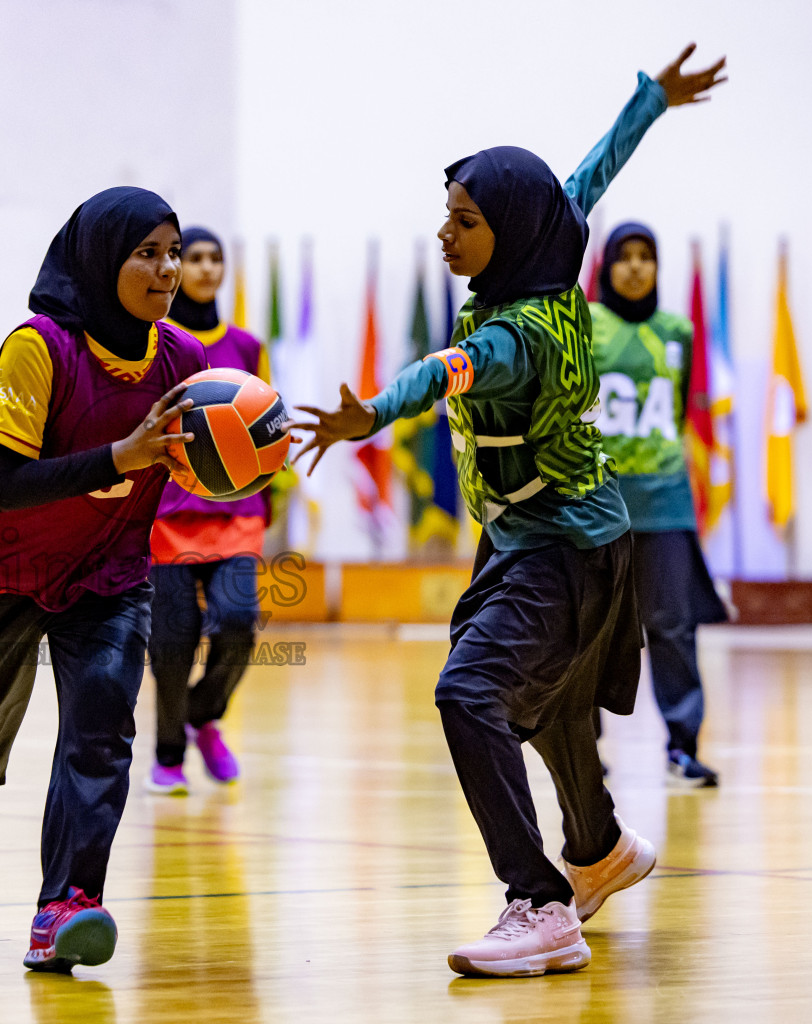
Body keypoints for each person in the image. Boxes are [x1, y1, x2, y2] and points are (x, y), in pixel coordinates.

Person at [291, 45, 726, 978]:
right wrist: (651, 98)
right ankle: (599, 850)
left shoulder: (514, 334)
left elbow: (448, 371)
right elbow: (591, 173)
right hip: (558, 537)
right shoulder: (545, 258)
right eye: (445, 216)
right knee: (561, 706)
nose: (445, 235)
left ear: (511, 230)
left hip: (561, 549)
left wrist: (373, 411)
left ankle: (539, 903)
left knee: (469, 695)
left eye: (466, 220)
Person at [0, 186, 207, 972]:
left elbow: (211, 471)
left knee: (102, 718)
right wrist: (123, 456)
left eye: (173, 252)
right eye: (147, 252)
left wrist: (251, 454)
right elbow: (8, 481)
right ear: (101, 258)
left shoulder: (185, 362)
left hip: (106, 573)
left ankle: (65, 906)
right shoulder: (39, 347)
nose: (167, 268)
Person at [591, 223, 727, 786]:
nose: (636, 267)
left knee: (674, 626)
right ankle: (583, 748)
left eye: (647, 256)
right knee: (589, 629)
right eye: (624, 256)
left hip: (666, 500)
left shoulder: (679, 330)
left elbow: (680, 405)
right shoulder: (586, 325)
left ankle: (682, 746)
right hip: (597, 502)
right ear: (607, 266)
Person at [146, 226, 269, 795]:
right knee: (171, 642)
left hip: (235, 514)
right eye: (192, 257)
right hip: (167, 517)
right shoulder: (155, 342)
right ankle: (168, 752)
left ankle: (203, 713)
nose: (203, 268)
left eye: (213, 258)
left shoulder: (245, 346)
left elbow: (265, 422)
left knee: (240, 623)